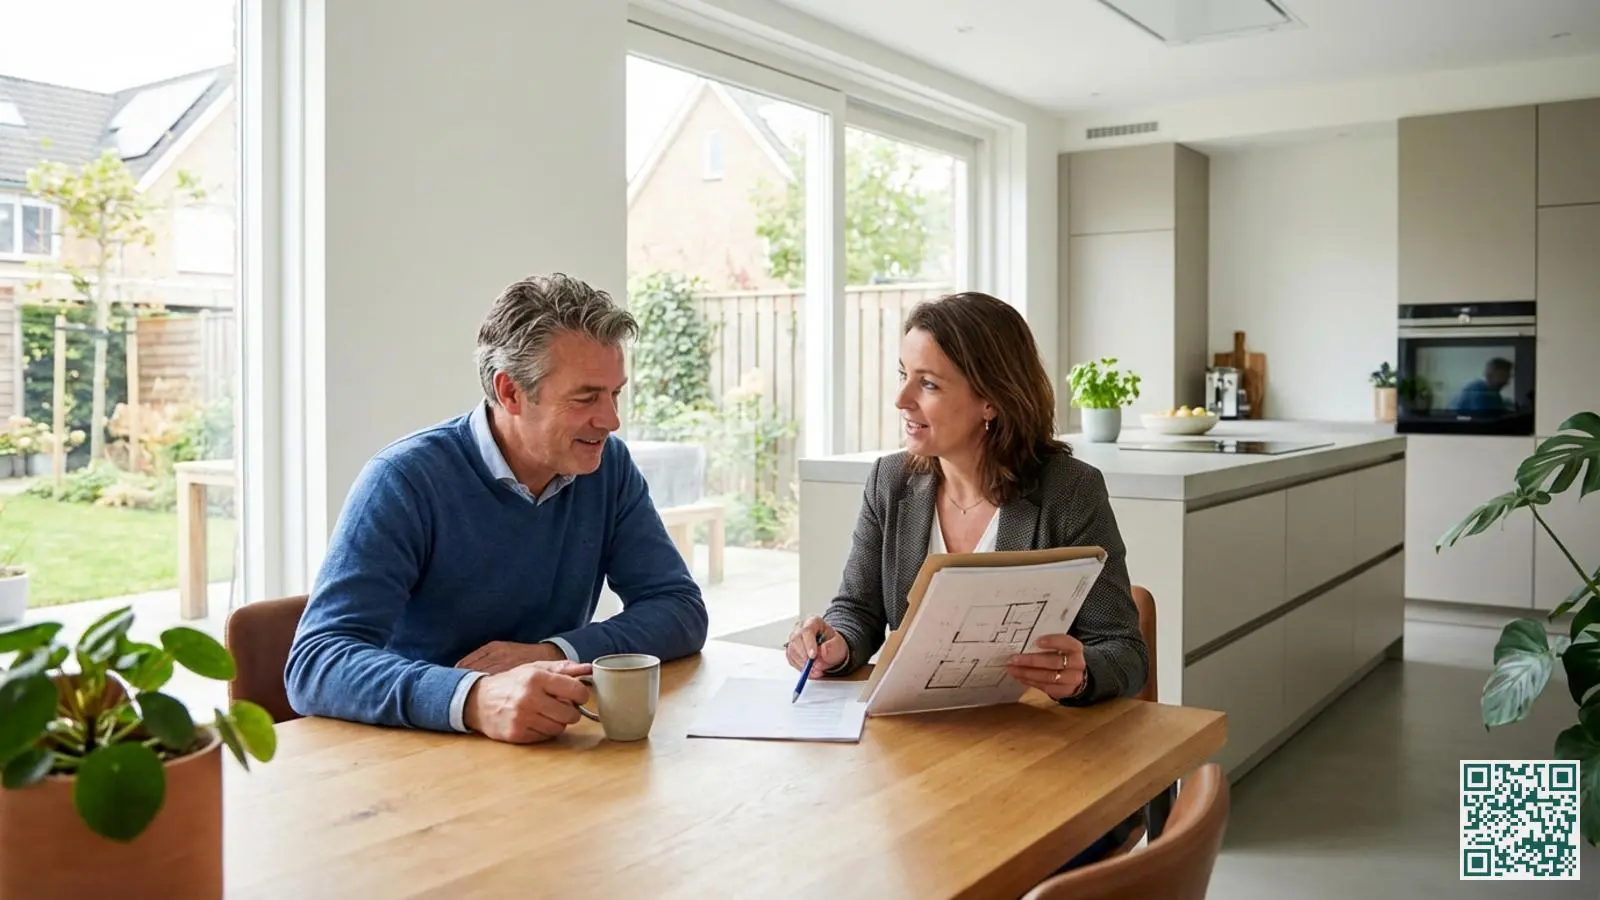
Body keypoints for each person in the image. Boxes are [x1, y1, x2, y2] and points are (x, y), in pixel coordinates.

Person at [783, 291, 1148, 870]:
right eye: (904, 375)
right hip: (918, 760)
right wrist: (837, 641)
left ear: (990, 400)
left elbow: (1124, 653)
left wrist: (1080, 675)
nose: (900, 399)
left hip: (1037, 768)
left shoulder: (1069, 491)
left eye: (927, 383)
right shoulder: (890, 483)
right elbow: (857, 607)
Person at [286, 273, 709, 744]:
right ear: (509, 392)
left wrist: (550, 652)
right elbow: (316, 662)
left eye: (615, 393)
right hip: (416, 757)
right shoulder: (404, 480)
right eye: (586, 397)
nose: (611, 420)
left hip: (546, 745)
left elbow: (679, 609)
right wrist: (475, 697)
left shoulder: (607, 467)